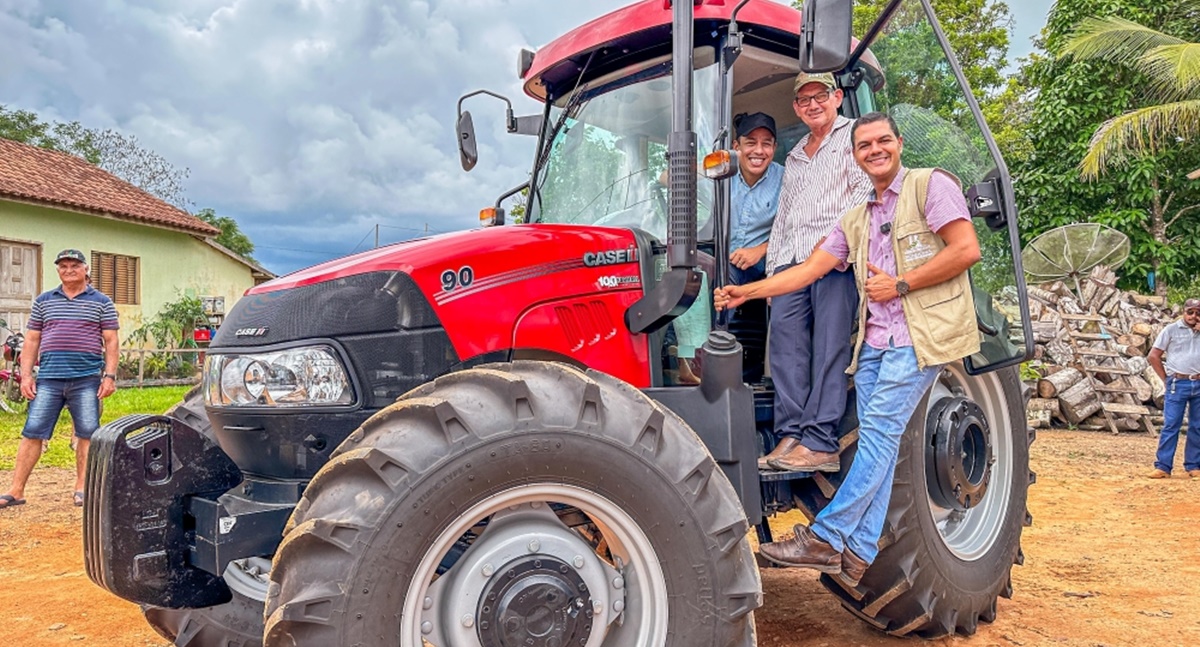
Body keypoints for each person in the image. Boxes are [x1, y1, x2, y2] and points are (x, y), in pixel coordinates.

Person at [714, 112, 981, 585]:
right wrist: (745, 293)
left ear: (898, 143)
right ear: (853, 156)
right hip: (876, 342)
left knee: (876, 434)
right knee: (884, 439)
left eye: (883, 142)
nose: (875, 151)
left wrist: (901, 284)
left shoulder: (929, 186)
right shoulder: (857, 218)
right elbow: (808, 270)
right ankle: (857, 553)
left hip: (917, 337)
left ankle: (829, 535)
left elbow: (964, 249)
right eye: (864, 146)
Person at [757, 72, 873, 472]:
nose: (812, 105)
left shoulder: (854, 138)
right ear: (795, 107)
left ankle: (821, 440)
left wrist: (833, 247)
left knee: (830, 347)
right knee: (786, 349)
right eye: (803, 100)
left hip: (833, 262)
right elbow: (784, 217)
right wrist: (773, 274)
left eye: (819, 96)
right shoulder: (795, 155)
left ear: (836, 97)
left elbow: (863, 196)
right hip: (792, 262)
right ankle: (792, 434)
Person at [0, 249, 120, 510]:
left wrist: (109, 376)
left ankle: (82, 487)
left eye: (74, 265)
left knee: (87, 433)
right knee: (32, 432)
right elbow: (32, 339)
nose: (69, 270)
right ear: (58, 270)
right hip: (49, 379)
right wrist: (26, 376)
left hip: (86, 379)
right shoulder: (44, 301)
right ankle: (15, 490)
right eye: (63, 266)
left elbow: (111, 341)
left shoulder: (102, 302)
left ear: (85, 269)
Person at [1146, 298, 1200, 479]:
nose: (1194, 316)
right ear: (1184, 312)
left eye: (1198, 312)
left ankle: (1193, 465)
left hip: (1199, 382)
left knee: (1197, 426)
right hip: (1178, 382)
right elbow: (1153, 355)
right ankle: (1163, 466)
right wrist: (1166, 379)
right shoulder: (1171, 330)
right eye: (1190, 312)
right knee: (1171, 424)